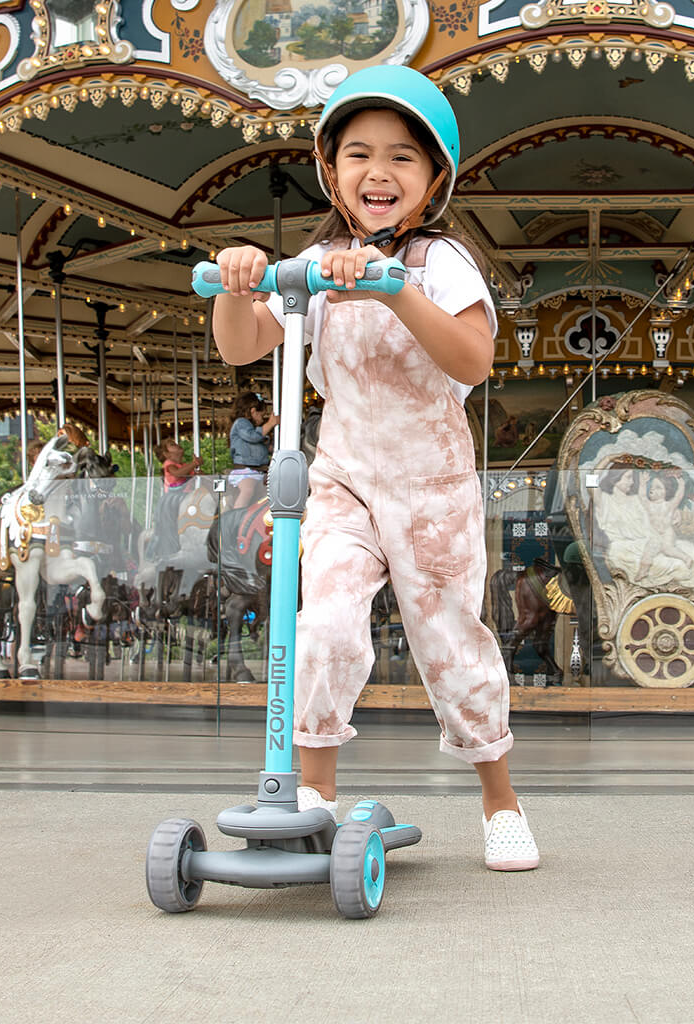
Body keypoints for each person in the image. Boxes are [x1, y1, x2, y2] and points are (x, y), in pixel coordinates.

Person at [209, 66, 538, 871]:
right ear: (332, 171)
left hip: (432, 488)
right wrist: (237, 281)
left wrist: (394, 291)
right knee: (318, 622)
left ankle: (500, 799)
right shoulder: (318, 266)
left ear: (432, 180)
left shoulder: (442, 263)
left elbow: (473, 357)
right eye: (358, 154)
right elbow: (242, 343)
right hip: (346, 478)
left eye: (401, 157)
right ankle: (312, 791)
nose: (378, 173)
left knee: (452, 640)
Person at [228, 391, 279, 508]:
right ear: (253, 411)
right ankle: (237, 517)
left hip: (260, 472)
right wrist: (270, 424)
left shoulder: (255, 429)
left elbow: (266, 448)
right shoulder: (241, 423)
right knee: (248, 490)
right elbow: (252, 437)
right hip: (245, 472)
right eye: (262, 415)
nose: (262, 419)